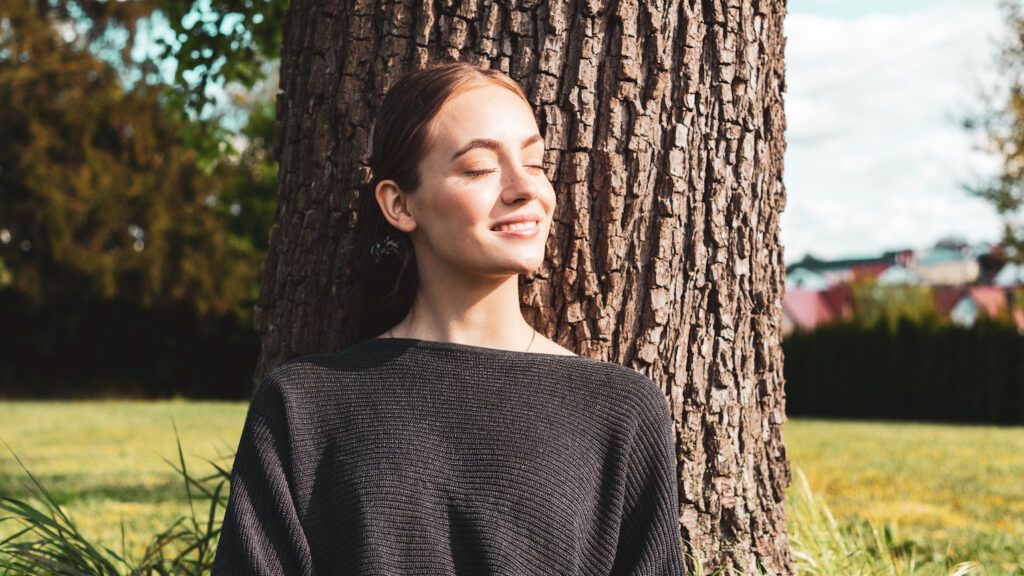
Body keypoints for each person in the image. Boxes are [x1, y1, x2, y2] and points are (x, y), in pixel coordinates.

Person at [212, 61, 685, 575]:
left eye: (535, 162)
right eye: (480, 168)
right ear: (399, 204)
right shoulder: (303, 407)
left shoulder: (618, 411)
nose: (525, 189)